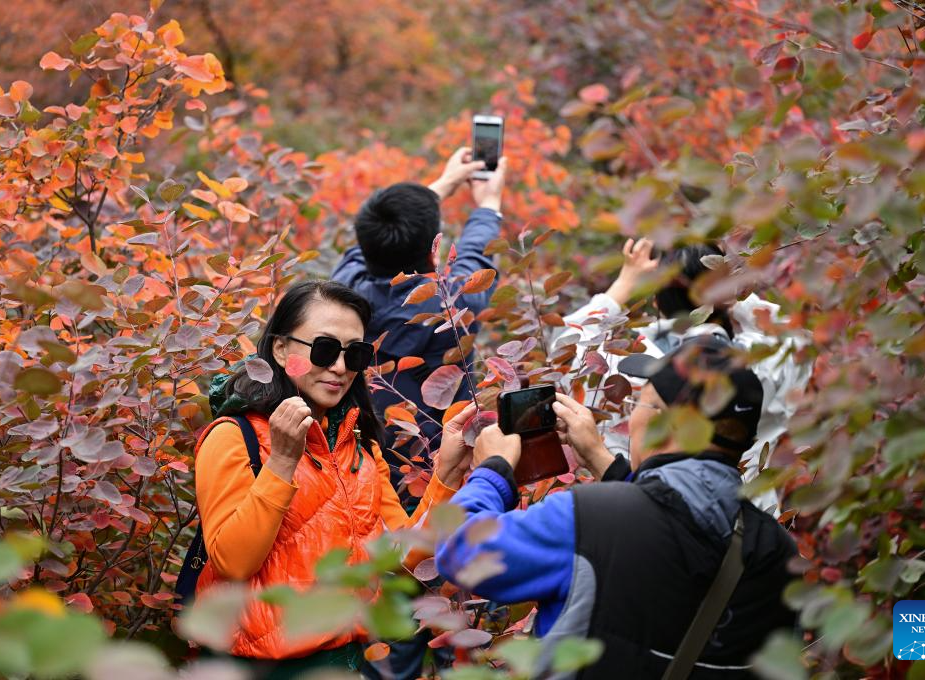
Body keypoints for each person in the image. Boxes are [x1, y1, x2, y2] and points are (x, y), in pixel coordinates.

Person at [435, 337, 799, 679]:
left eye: (641, 401)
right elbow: (675, 525)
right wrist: (602, 461)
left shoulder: (585, 520)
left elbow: (460, 550)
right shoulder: (779, 553)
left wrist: (491, 471)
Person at [194, 280, 476, 676]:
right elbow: (232, 563)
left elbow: (398, 559)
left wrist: (445, 474)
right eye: (324, 349)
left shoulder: (357, 445)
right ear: (280, 349)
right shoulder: (233, 436)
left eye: (355, 353)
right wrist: (281, 464)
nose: (340, 368)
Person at [553, 238, 810, 513]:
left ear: (655, 299)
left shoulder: (626, 368)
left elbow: (566, 342)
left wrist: (626, 282)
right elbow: (798, 335)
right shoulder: (762, 360)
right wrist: (734, 298)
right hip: (746, 521)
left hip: (640, 516)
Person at [332, 148, 507, 496]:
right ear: (434, 252)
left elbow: (365, 246)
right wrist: (489, 204)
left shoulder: (343, 292)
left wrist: (441, 185)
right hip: (436, 473)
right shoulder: (455, 306)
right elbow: (475, 255)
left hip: (360, 471)